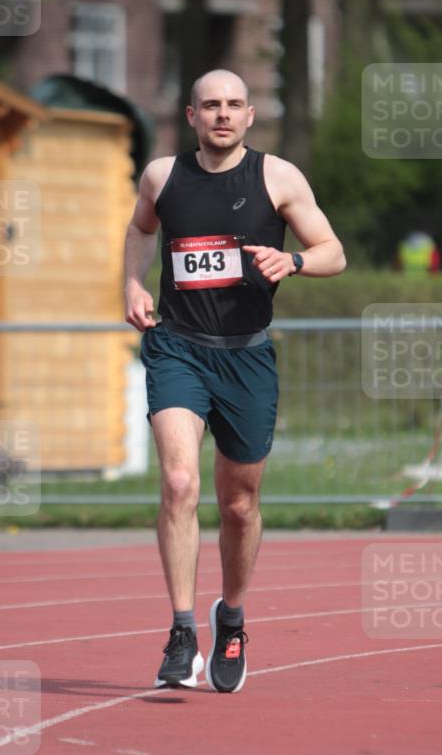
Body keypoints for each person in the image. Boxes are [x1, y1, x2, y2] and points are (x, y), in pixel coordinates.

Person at [123, 69, 346, 694]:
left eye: (234, 105)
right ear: (190, 115)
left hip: (246, 357)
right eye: (210, 105)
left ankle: (233, 618)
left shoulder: (278, 177)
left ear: (250, 116)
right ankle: (180, 630)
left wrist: (296, 260)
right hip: (178, 349)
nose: (222, 115)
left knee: (240, 505)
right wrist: (133, 283)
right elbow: (141, 229)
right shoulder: (162, 177)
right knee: (177, 481)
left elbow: (334, 249)